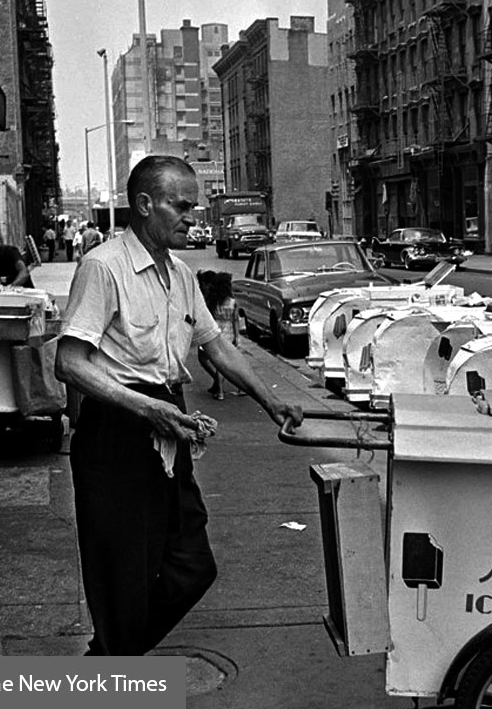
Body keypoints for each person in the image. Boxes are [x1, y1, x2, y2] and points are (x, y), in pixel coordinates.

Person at [56, 155, 303, 656]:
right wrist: (145, 409)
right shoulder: (103, 267)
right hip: (117, 430)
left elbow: (217, 347)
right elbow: (70, 363)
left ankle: (111, 655)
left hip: (168, 422)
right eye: (181, 205)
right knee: (122, 571)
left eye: (193, 206)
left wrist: (272, 400)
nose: (192, 216)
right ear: (144, 204)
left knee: (192, 564)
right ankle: (116, 661)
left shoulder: (181, 275)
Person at [195, 270, 239, 400]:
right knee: (227, 361)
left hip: (215, 332)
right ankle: (232, 386)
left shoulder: (213, 302)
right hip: (229, 333)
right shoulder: (232, 302)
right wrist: (237, 337)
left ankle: (219, 390)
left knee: (210, 360)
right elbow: (235, 320)